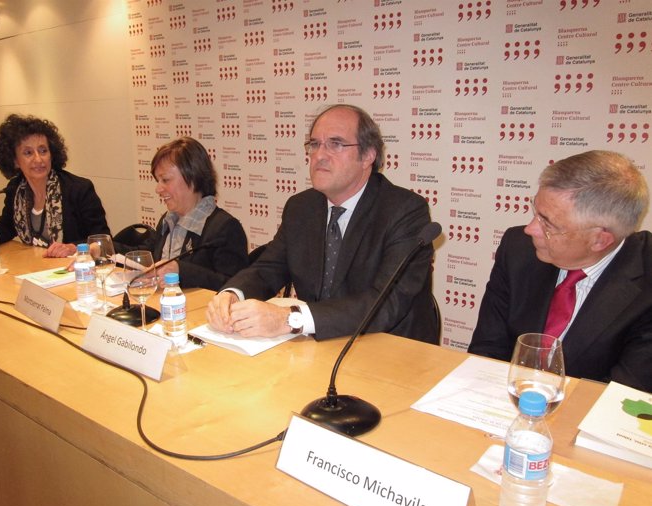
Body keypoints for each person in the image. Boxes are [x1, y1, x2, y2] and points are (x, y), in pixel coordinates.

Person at [206, 104, 438, 343]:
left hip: (391, 351)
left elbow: (386, 302)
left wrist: (289, 319)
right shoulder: (301, 207)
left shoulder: (405, 211)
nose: (319, 155)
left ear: (368, 155)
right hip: (321, 347)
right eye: (315, 144)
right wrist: (233, 294)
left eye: (335, 144)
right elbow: (268, 268)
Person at [469, 150, 652, 392]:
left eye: (548, 224)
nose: (530, 229)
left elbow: (622, 396)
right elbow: (487, 352)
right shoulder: (518, 249)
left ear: (599, 240)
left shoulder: (645, 282)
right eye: (536, 212)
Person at [118, 137, 248, 291]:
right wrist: (106, 249)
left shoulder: (224, 228)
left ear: (192, 177)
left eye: (165, 180)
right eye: (157, 180)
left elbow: (235, 286)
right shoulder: (169, 219)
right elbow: (148, 256)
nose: (158, 189)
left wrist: (181, 271)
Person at [0, 114, 110, 258]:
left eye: (43, 151)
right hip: (37, 270)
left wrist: (73, 248)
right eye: (28, 153)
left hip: (78, 270)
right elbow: (6, 228)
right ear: (15, 160)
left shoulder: (79, 189)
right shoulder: (16, 190)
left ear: (52, 154)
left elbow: (104, 241)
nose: (38, 159)